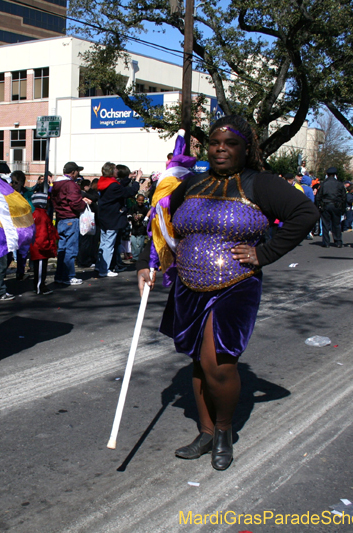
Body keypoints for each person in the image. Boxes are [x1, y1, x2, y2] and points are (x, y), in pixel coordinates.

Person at [137, 116, 319, 471]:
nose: (221, 148)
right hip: (188, 285)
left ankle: (224, 432)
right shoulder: (191, 183)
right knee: (197, 361)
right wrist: (148, 263)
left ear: (246, 148)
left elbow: (305, 213)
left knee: (217, 362)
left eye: (230, 143)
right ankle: (205, 433)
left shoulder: (260, 183)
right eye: (215, 142)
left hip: (235, 284)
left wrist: (263, 254)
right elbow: (162, 219)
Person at [96, 162, 139, 277]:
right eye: (115, 169)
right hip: (112, 218)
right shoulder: (113, 186)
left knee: (104, 242)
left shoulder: (104, 183)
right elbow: (129, 192)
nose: (117, 171)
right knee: (108, 245)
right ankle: (104, 269)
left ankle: (99, 265)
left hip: (104, 217)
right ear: (111, 171)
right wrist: (137, 181)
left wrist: (129, 178)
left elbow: (118, 185)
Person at [52, 162, 91, 285]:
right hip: (70, 218)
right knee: (70, 249)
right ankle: (69, 276)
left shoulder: (56, 184)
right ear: (73, 172)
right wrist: (84, 203)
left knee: (62, 249)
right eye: (77, 172)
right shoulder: (71, 185)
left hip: (61, 218)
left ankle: (60, 275)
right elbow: (75, 203)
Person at [29, 191, 57, 295]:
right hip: (41, 248)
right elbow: (42, 234)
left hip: (37, 246)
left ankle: (39, 286)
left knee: (39, 268)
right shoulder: (42, 216)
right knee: (40, 269)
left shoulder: (36, 214)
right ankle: (39, 287)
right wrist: (46, 246)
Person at [314, 166, 346, 247]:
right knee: (336, 224)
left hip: (326, 206)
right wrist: (343, 208)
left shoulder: (323, 184)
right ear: (335, 175)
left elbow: (318, 197)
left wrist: (318, 207)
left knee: (325, 225)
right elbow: (344, 197)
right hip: (336, 206)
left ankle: (326, 242)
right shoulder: (339, 184)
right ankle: (338, 241)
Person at [127, 193, 149, 260]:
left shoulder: (145, 209)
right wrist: (133, 218)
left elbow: (147, 217)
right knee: (133, 243)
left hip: (141, 228)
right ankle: (135, 256)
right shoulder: (133, 207)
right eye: (139, 200)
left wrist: (143, 220)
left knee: (140, 244)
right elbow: (129, 216)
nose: (140, 202)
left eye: (142, 200)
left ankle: (137, 257)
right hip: (134, 228)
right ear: (137, 200)